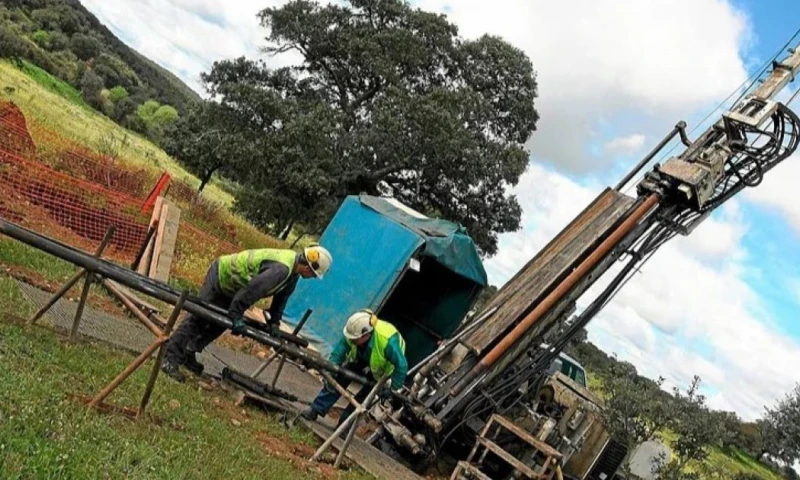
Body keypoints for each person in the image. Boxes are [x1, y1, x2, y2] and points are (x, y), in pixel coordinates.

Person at [161, 244, 332, 382]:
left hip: (234, 287)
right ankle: (170, 358)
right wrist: (236, 316)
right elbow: (252, 291)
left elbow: (281, 299)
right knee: (199, 317)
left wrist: (274, 322)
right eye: (314, 275)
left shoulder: (292, 274)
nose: (313, 278)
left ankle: (189, 352)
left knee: (219, 323)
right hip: (222, 275)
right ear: (310, 268)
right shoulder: (282, 269)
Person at [301, 309, 408, 426]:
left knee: (365, 397)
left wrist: (393, 389)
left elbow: (401, 365)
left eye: (354, 339)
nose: (351, 340)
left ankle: (344, 426)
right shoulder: (353, 331)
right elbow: (338, 353)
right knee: (339, 378)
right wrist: (330, 371)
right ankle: (316, 409)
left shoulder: (388, 342)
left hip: (382, 367)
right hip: (360, 356)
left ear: (366, 335)